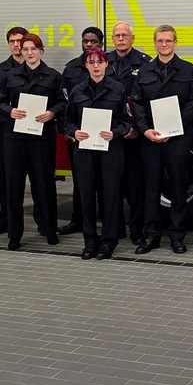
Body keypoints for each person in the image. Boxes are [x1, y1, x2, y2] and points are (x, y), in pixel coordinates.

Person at [0, 33, 66, 250]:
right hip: (15, 138)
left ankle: (50, 230)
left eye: (34, 48)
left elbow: (63, 102)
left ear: (41, 50)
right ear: (20, 51)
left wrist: (51, 113)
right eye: (25, 49)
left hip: (42, 138)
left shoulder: (53, 76)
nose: (29, 53)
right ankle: (15, 234)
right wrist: (9, 110)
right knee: (14, 187)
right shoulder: (8, 75)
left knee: (45, 185)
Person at [130, 25, 193, 255]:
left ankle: (177, 235)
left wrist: (174, 126)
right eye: (160, 41)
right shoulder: (145, 72)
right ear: (154, 43)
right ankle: (151, 235)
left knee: (179, 186)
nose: (164, 44)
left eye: (168, 41)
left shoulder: (188, 70)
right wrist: (145, 129)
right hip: (151, 138)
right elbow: (137, 103)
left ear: (175, 42)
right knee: (151, 187)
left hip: (178, 138)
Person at [64, 47, 133, 260]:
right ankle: (90, 241)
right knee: (86, 197)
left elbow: (127, 121)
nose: (95, 66)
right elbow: (68, 122)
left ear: (106, 64)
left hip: (111, 150)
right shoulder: (77, 91)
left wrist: (115, 133)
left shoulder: (118, 89)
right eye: (91, 62)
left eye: (99, 62)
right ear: (86, 65)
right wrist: (75, 132)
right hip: (84, 152)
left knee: (110, 197)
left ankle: (108, 242)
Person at [0, 26, 47, 238]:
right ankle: (5, 221)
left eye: (21, 41)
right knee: (8, 180)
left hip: (36, 134)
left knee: (39, 181)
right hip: (8, 134)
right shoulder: (0, 71)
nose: (17, 46)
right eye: (13, 42)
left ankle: (43, 222)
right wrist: (9, 113)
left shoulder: (41, 70)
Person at [58, 26, 106, 237]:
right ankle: (78, 220)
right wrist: (67, 131)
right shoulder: (70, 69)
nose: (88, 44)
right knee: (80, 181)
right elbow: (63, 103)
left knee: (106, 182)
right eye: (85, 41)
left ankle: (108, 223)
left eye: (93, 41)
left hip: (105, 137)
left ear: (101, 44)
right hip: (79, 136)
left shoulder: (107, 66)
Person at [108, 22, 152, 243]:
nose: (121, 38)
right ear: (112, 39)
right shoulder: (103, 61)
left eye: (125, 35)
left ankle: (137, 231)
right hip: (111, 136)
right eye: (117, 35)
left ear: (133, 39)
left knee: (135, 186)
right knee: (112, 185)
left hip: (134, 136)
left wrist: (138, 128)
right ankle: (116, 229)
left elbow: (146, 100)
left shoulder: (144, 64)